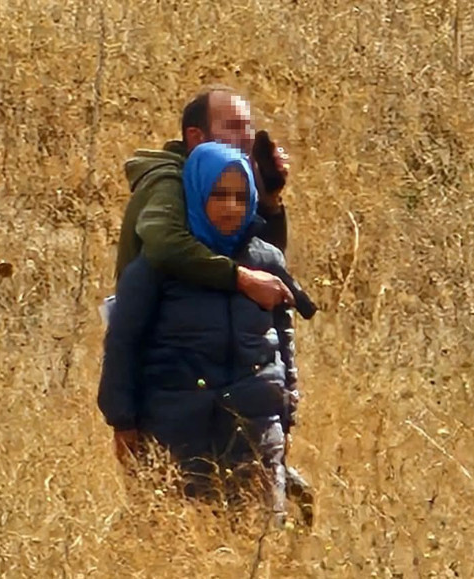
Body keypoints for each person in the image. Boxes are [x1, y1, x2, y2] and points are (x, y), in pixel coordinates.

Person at [112, 86, 314, 523]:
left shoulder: (227, 184)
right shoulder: (171, 186)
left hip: (239, 404)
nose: (248, 136)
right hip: (170, 391)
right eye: (234, 128)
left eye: (250, 126)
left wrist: (272, 200)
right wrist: (124, 418)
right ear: (196, 138)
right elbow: (165, 252)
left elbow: (264, 270)